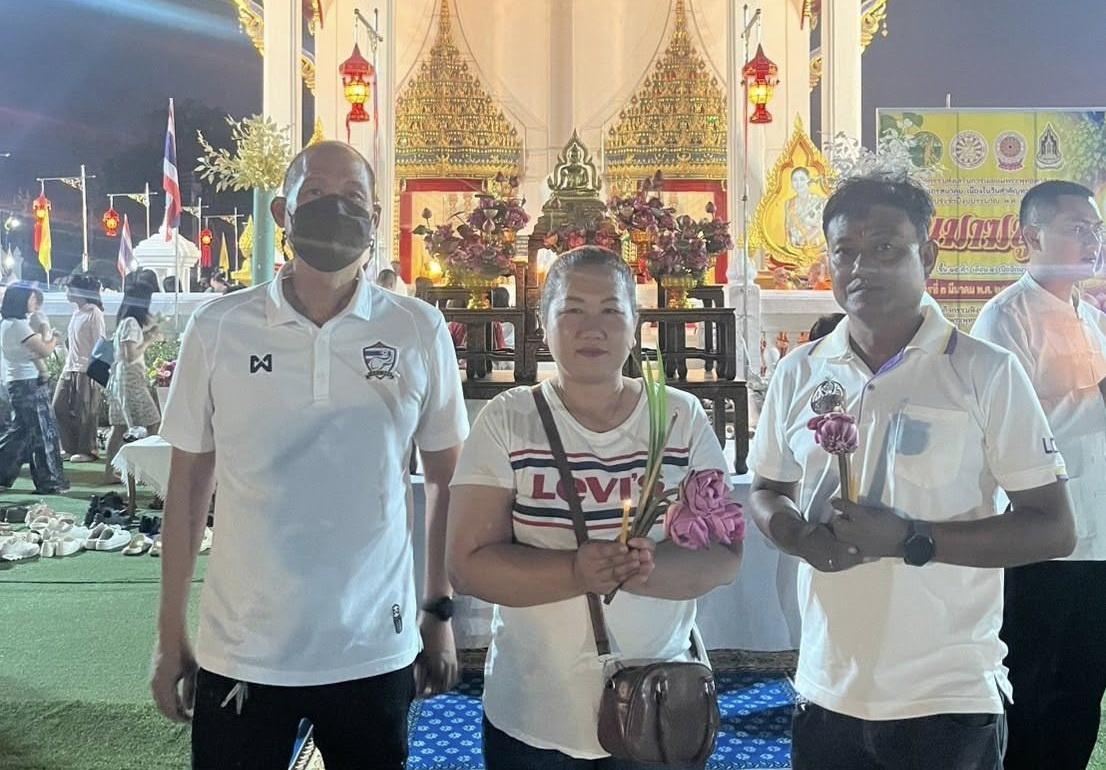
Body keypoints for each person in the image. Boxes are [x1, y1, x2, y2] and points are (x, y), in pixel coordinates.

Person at [151, 140, 468, 770]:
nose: (335, 210)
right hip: (244, 644)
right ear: (282, 213)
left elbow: (445, 480)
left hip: (372, 643)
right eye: (316, 195)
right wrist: (168, 633)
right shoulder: (219, 327)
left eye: (352, 198)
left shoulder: (417, 329)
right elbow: (186, 490)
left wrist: (438, 609)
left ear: (375, 216)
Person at [747, 174, 1076, 770]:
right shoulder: (800, 372)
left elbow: (1052, 527)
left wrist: (909, 539)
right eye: (845, 251)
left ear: (927, 255)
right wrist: (799, 537)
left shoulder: (984, 371)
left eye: (884, 248)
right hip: (827, 687)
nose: (861, 268)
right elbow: (768, 489)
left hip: (946, 697)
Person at [447, 246, 743, 769]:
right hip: (534, 711)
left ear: (635, 323)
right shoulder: (507, 420)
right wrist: (576, 571)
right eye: (572, 310)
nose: (592, 328)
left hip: (657, 707)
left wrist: (640, 571)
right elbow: (467, 566)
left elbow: (725, 554)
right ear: (543, 324)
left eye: (610, 310)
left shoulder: (680, 417)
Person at [971, 180, 1106, 770]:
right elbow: (1010, 429)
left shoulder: (1093, 319)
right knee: (1030, 687)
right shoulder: (1006, 319)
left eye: (1096, 229)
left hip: (1100, 537)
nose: (1092, 241)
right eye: (1078, 228)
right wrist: (1099, 398)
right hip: (1039, 541)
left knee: (1084, 689)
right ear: (1031, 235)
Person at [0, 282, 68, 494]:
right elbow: (45, 350)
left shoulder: (8, 323)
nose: (34, 302)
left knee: (21, 432)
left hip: (19, 381)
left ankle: (4, 474)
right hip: (27, 382)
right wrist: (54, 338)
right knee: (42, 433)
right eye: (31, 298)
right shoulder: (19, 326)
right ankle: (50, 482)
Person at [103, 285, 162, 482]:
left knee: (119, 426)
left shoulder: (125, 322)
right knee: (152, 422)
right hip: (131, 379)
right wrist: (149, 340)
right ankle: (146, 470)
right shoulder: (131, 323)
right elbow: (130, 355)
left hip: (122, 378)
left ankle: (110, 470)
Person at [53, 272, 106, 462]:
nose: (67, 292)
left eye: (70, 288)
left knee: (85, 410)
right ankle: (69, 446)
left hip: (86, 368)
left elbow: (99, 343)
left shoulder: (94, 313)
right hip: (70, 366)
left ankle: (87, 449)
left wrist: (97, 372)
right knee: (58, 406)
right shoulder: (77, 312)